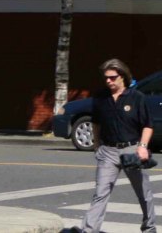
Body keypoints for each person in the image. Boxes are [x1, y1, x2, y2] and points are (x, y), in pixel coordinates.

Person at [63, 58, 157, 233]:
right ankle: (89, 230)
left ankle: (149, 227)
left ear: (123, 77)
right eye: (106, 77)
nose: (108, 81)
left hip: (132, 150)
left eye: (112, 77)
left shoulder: (136, 97)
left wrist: (142, 147)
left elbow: (147, 125)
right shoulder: (100, 98)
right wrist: (97, 144)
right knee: (100, 193)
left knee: (143, 193)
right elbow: (96, 122)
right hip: (108, 151)